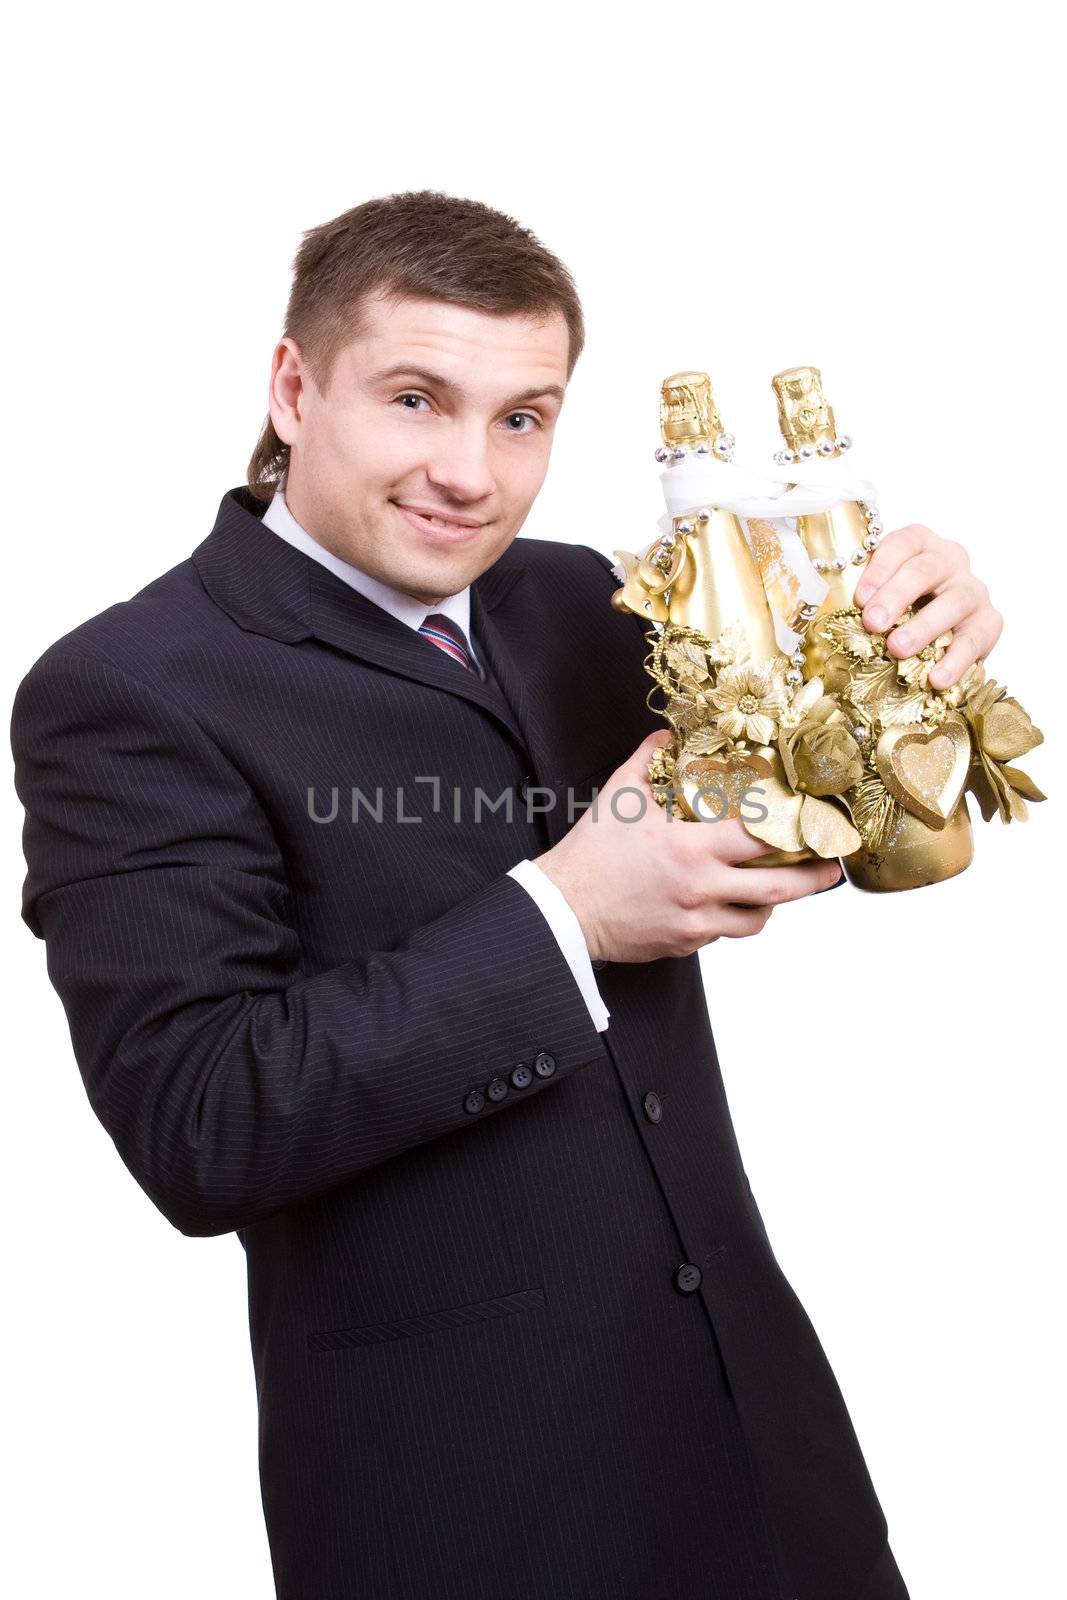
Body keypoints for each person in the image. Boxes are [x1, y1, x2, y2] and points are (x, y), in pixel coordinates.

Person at [10, 190, 1003, 1600]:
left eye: (523, 416)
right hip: (465, 1507)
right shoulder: (127, 690)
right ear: (294, 388)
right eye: (417, 400)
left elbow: (851, 831)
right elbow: (199, 1123)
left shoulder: (590, 601)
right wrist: (564, 917)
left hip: (770, 1465)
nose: (471, 472)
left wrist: (906, 659)